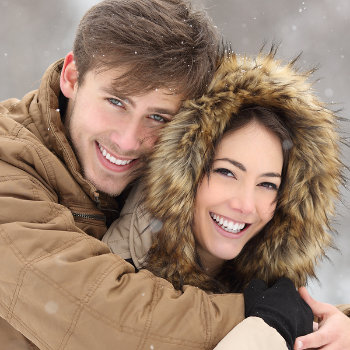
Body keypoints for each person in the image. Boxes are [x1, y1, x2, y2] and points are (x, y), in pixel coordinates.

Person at [0, 1, 260, 349]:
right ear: (72, 76)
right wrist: (262, 317)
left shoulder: (177, 178)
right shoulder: (8, 163)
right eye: (116, 102)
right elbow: (99, 320)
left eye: (158, 118)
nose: (127, 141)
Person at [103, 47, 350, 349]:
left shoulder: (276, 297)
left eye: (268, 185)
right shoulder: (114, 273)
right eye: (227, 173)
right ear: (183, 173)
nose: (245, 205)